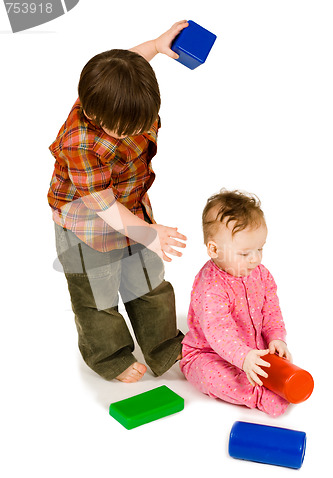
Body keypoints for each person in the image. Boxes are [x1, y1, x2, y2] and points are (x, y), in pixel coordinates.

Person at [48, 21, 188, 383]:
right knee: (97, 295)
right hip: (86, 225)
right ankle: (110, 356)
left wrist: (156, 46)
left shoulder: (115, 95)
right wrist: (149, 233)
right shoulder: (79, 143)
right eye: (125, 130)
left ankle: (165, 347)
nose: (134, 134)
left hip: (133, 209)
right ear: (93, 113)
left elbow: (128, 63)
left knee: (150, 283)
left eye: (141, 125)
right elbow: (103, 205)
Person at [180, 189, 292, 416]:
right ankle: (254, 394)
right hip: (209, 353)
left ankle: (267, 377)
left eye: (260, 249)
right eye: (245, 254)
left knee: (273, 363)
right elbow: (219, 332)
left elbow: (271, 310)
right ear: (214, 249)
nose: (256, 259)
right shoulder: (212, 286)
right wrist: (242, 357)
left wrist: (276, 338)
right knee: (211, 376)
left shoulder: (261, 274)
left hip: (254, 350)